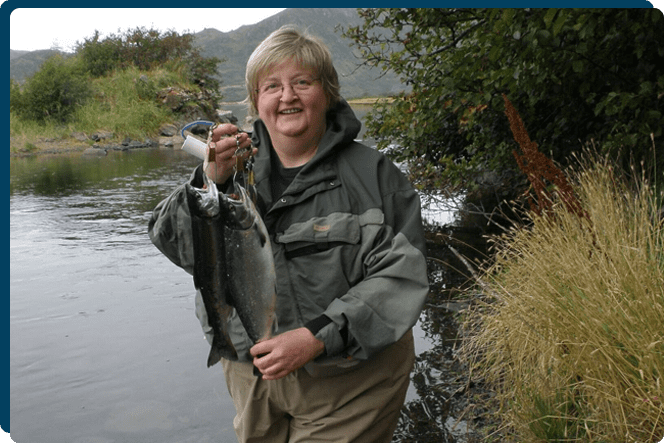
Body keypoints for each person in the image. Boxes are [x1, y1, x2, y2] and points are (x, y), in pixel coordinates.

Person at [148, 25, 429, 443]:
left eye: (303, 82)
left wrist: (317, 336)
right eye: (272, 86)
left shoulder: (375, 176)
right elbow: (172, 241)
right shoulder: (227, 170)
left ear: (327, 92)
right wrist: (210, 180)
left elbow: (401, 278)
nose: (287, 97)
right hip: (250, 372)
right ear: (256, 101)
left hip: (349, 377)